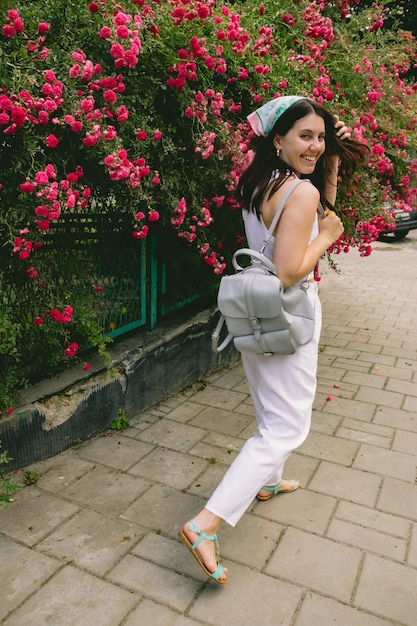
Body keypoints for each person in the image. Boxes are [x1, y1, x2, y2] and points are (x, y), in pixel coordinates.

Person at [178, 95, 370, 584]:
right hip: (289, 309)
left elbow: (309, 211)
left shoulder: (260, 179)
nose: (315, 144)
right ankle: (205, 525)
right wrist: (329, 237)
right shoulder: (298, 191)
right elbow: (290, 267)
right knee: (285, 428)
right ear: (279, 138)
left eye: (321, 137)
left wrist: (327, 169)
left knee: (269, 407)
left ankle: (266, 481)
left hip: (255, 310)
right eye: (305, 136)